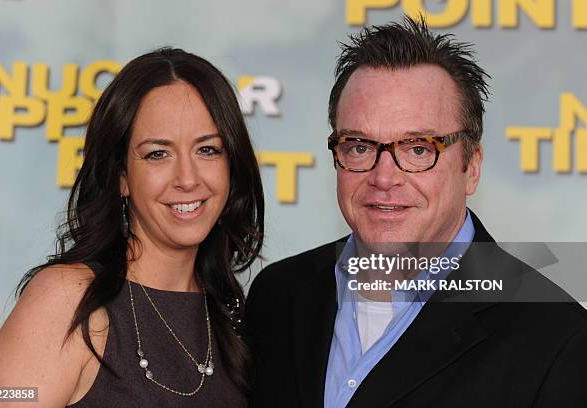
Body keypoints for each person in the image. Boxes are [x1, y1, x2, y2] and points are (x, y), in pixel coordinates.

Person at [246, 17, 587, 408]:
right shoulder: (278, 296)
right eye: (359, 146)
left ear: (471, 167)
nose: (384, 177)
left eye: (418, 149)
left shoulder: (559, 341)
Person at [0, 48, 264, 407]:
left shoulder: (229, 317)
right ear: (122, 177)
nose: (188, 179)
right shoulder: (69, 299)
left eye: (207, 150)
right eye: (158, 154)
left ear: (231, 165)